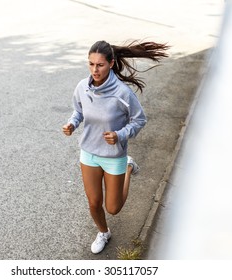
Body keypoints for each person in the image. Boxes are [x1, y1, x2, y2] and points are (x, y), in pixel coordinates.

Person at [62, 40, 168, 254]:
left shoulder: (122, 93)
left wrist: (120, 135)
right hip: (89, 152)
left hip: (113, 155)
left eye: (99, 65)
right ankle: (103, 232)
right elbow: (79, 111)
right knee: (94, 203)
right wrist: (72, 124)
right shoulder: (83, 87)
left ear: (111, 63)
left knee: (113, 207)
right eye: (91, 64)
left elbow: (139, 120)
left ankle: (128, 167)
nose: (94, 70)